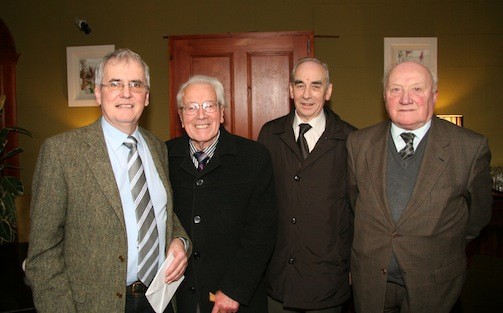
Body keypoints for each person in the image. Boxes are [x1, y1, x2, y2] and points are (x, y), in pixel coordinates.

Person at [25, 48, 191, 313]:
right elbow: (43, 254)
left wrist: (179, 242)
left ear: (146, 96)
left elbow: (162, 214)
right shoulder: (62, 152)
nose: (126, 93)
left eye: (136, 84)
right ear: (99, 93)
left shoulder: (158, 148)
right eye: (115, 84)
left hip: (158, 300)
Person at [347, 61, 493, 313]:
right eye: (395, 90)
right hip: (370, 282)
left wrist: (439, 243)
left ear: (434, 96)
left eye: (417, 89)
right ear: (384, 97)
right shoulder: (359, 144)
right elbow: (354, 203)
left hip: (434, 285)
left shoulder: (469, 147)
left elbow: (477, 217)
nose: (405, 99)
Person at [166, 75, 277, 313]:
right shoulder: (164, 156)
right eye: (191, 107)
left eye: (209, 106)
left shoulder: (254, 158)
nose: (201, 115)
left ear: (222, 113)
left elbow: (262, 232)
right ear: (181, 116)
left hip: (234, 299)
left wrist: (234, 289)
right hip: (179, 298)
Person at [257, 58, 356, 313]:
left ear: (329, 90)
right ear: (290, 90)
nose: (307, 94)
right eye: (300, 85)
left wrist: (353, 266)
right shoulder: (269, 134)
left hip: (326, 281)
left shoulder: (351, 140)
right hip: (278, 279)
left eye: (316, 85)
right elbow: (259, 203)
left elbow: (358, 210)